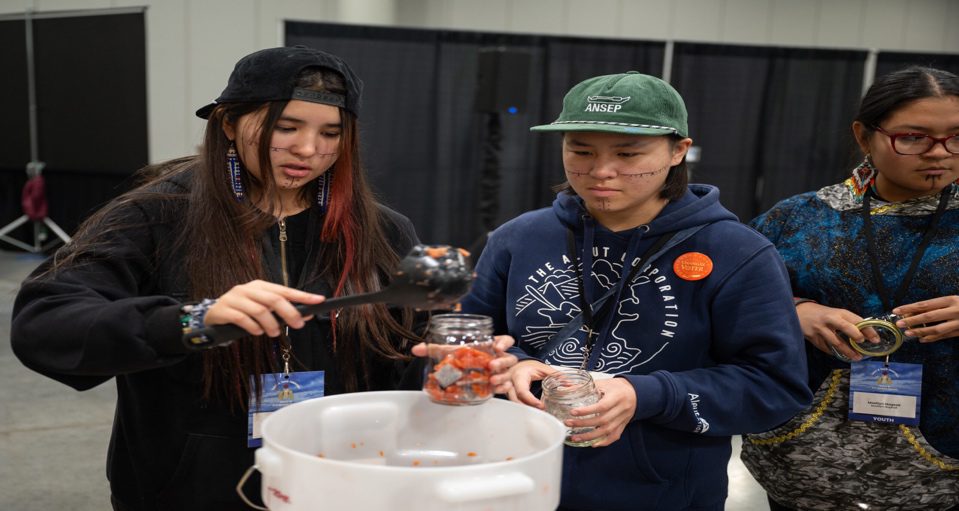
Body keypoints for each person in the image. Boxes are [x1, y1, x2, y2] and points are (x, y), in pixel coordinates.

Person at [10, 46, 515, 511]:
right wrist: (191, 321)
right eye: (286, 126)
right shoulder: (155, 214)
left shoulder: (380, 229)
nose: (308, 150)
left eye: (330, 133)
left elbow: (406, 356)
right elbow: (46, 323)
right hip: (188, 490)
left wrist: (451, 370)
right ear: (229, 123)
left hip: (340, 476)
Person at [459, 71, 813, 510]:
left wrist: (643, 394)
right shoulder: (517, 238)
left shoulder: (737, 252)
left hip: (659, 490)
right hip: (514, 476)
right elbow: (473, 340)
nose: (601, 171)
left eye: (627, 153)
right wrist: (512, 364)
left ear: (679, 150)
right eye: (580, 151)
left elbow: (775, 387)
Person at [741, 66, 959, 510]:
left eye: (956, 136)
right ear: (864, 136)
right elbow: (725, 301)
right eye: (913, 137)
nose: (940, 154)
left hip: (944, 461)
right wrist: (794, 310)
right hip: (802, 456)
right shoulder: (798, 219)